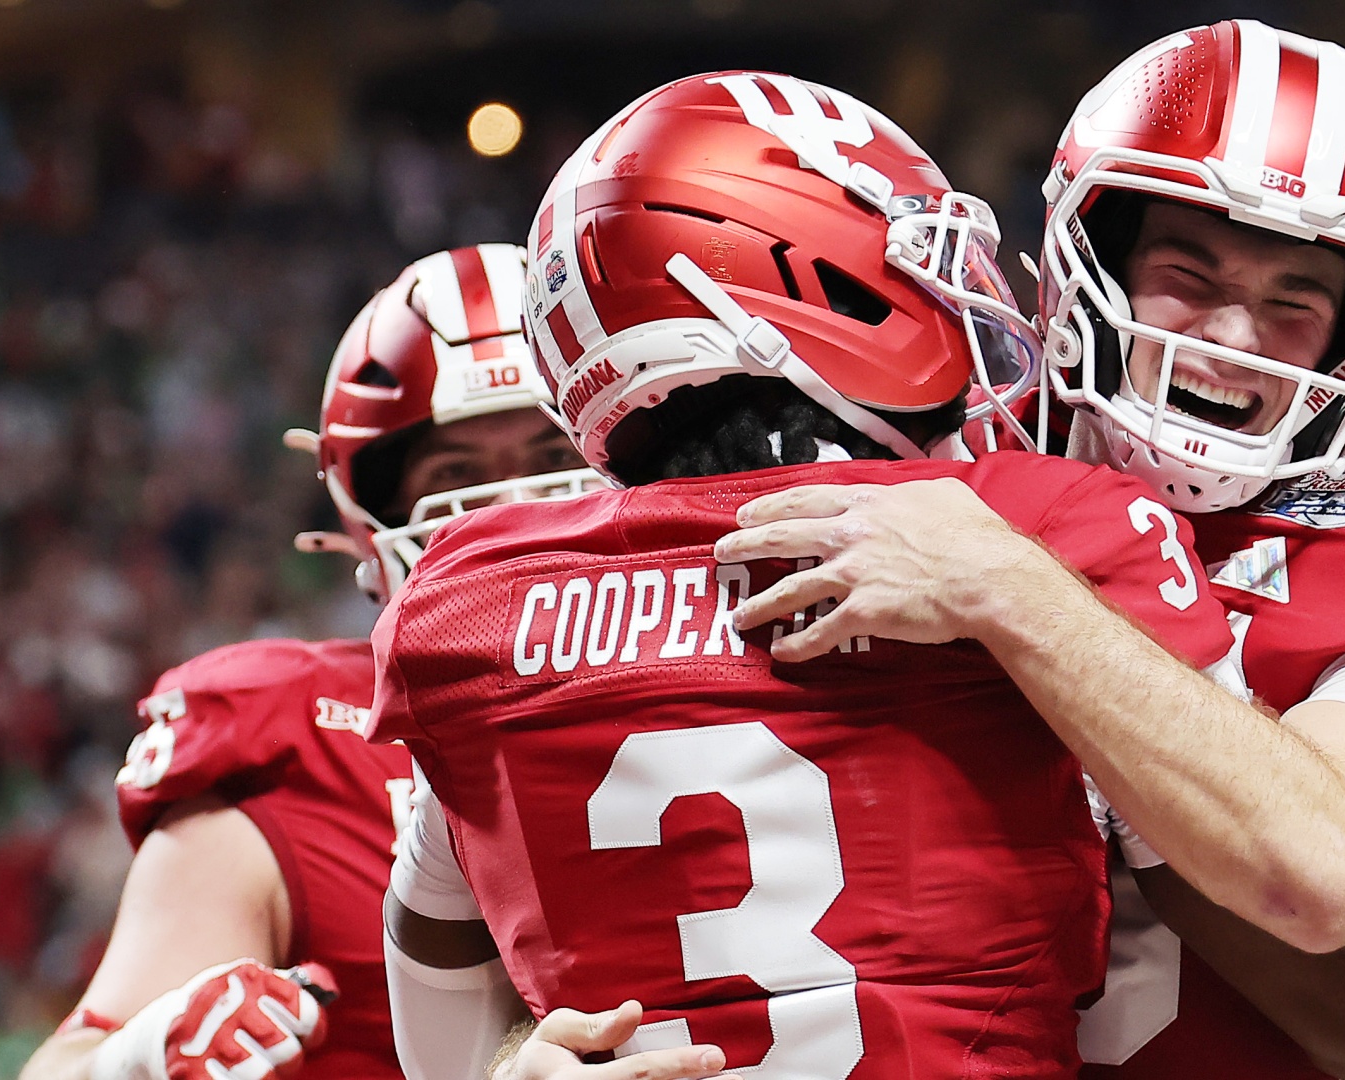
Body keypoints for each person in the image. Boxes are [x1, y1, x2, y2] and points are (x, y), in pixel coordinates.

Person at [714, 21, 1345, 1080]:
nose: (1233, 335)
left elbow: (1331, 881)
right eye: (1189, 271)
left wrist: (1018, 599)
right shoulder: (912, 446)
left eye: (1294, 300)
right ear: (1094, 262)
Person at [368, 71, 1241, 1080]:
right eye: (921, 261)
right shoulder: (1045, 526)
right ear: (798, 278)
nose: (953, 295)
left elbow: (435, 1017)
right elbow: (1285, 901)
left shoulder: (467, 599)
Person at [18, 244, 592, 1080]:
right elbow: (65, 1065)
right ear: (373, 527)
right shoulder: (300, 743)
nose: (513, 516)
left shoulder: (775, 657)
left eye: (552, 460)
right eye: (458, 477)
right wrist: (140, 1058)